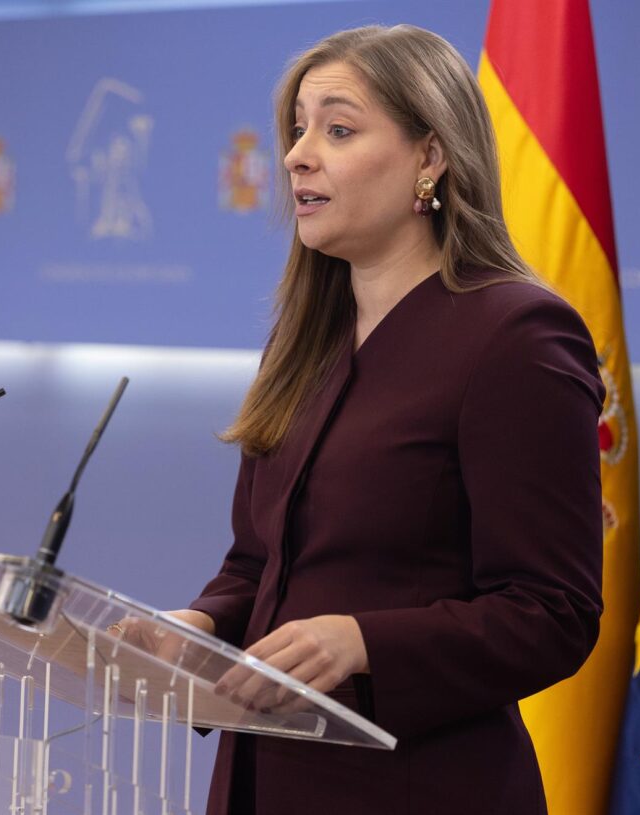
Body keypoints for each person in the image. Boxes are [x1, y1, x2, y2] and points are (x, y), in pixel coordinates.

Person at [165, 24, 605, 815]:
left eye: (338, 129)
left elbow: (553, 613)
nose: (299, 153)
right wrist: (193, 627)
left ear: (430, 158)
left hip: (426, 789)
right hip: (265, 782)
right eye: (298, 128)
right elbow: (258, 565)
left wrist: (364, 640)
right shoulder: (305, 341)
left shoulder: (516, 337)